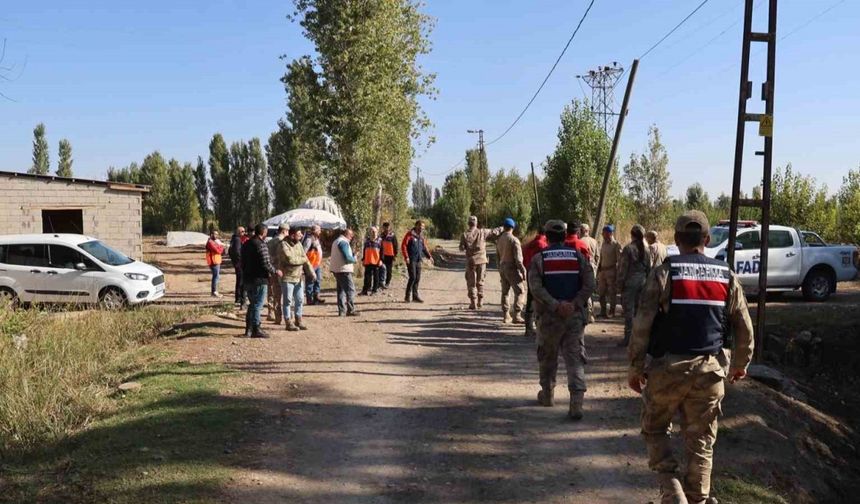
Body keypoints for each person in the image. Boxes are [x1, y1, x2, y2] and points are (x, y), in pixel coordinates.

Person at [628, 211, 754, 504]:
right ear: (707, 240)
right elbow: (744, 325)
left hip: (666, 371)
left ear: (676, 240)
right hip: (710, 373)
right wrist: (739, 365)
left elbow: (642, 324)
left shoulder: (664, 273)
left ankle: (672, 492)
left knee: (655, 428)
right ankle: (697, 500)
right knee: (701, 443)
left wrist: (635, 367)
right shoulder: (726, 275)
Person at [528, 220, 595, 420]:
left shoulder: (540, 259)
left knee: (547, 357)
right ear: (565, 235)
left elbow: (535, 288)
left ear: (546, 236)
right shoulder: (578, 257)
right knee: (575, 360)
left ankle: (547, 395)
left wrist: (555, 305)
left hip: (549, 318)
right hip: (574, 317)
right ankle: (576, 405)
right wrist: (575, 303)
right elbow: (590, 283)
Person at [240, 224, 283, 338]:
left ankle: (248, 330)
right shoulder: (261, 245)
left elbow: (241, 261)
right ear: (263, 232)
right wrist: (275, 271)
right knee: (257, 305)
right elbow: (266, 263)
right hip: (259, 279)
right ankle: (256, 329)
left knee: (252, 304)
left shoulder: (246, 244)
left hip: (248, 278)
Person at [459, 215, 502, 309]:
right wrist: (503, 228)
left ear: (468, 223)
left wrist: (466, 246)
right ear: (476, 223)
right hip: (482, 260)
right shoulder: (482, 232)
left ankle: (473, 302)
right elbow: (494, 232)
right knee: (480, 281)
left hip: (471, 261)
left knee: (471, 282)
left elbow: (461, 248)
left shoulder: (464, 234)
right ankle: (480, 301)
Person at [278, 225, 316, 331]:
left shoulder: (299, 244)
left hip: (298, 277)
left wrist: (312, 273)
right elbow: (290, 259)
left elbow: (306, 260)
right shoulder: (283, 244)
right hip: (287, 277)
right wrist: (302, 259)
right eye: (299, 234)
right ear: (292, 235)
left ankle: (298, 320)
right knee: (288, 301)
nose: (301, 236)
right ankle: (288, 322)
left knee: (299, 300)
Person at [617, 225, 650, 347]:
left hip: (630, 283)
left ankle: (628, 338)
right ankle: (639, 339)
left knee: (629, 312)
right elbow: (649, 269)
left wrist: (619, 284)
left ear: (632, 235)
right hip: (642, 282)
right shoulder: (646, 250)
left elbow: (623, 269)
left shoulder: (628, 249)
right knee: (639, 312)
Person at [495, 217, 527, 324]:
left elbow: (497, 256)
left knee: (505, 292)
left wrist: (499, 269)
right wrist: (523, 270)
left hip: (502, 267)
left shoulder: (499, 240)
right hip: (511, 267)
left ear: (504, 227)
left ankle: (506, 315)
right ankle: (517, 315)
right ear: (512, 227)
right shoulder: (514, 240)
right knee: (520, 291)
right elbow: (518, 259)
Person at [522, 228, 548, 337]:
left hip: (530, 272)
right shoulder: (543, 245)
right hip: (540, 274)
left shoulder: (530, 244)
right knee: (540, 299)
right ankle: (539, 326)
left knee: (530, 298)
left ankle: (528, 328)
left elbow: (524, 258)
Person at [400, 220, 433, 303]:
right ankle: (407, 296)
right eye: (421, 226)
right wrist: (406, 257)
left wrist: (429, 257)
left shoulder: (421, 237)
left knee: (417, 278)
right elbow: (403, 245)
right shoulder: (410, 234)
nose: (422, 228)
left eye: (423, 227)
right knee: (413, 277)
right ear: (416, 226)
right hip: (411, 260)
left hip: (418, 260)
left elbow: (424, 248)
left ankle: (415, 297)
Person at [330, 228, 359, 316]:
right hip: (344, 270)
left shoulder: (336, 241)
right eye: (351, 235)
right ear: (347, 234)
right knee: (350, 290)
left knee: (341, 290)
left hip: (336, 269)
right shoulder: (343, 242)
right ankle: (351, 310)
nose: (351, 237)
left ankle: (342, 311)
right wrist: (354, 259)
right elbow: (347, 257)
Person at [597, 224, 622, 318]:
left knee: (612, 293)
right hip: (602, 271)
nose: (603, 235)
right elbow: (601, 257)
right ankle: (603, 311)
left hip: (612, 271)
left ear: (610, 233)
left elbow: (620, 260)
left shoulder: (616, 245)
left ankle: (612, 311)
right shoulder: (603, 243)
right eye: (603, 233)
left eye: (604, 233)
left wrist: (619, 273)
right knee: (601, 292)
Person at [267, 224, 288, 325]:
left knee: (272, 292)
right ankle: (284, 316)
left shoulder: (270, 242)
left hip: (271, 269)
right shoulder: (283, 242)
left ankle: (272, 313)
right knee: (283, 293)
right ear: (284, 231)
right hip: (281, 270)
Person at [579, 223, 600, 323]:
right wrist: (595, 265)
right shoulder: (594, 241)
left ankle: (588, 313)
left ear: (581, 231)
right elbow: (598, 256)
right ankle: (591, 313)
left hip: (584, 267)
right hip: (593, 267)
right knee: (591, 290)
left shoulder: (580, 242)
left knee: (584, 289)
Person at [302, 225, 326, 305]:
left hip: (317, 264)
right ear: (314, 231)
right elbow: (304, 252)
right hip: (310, 265)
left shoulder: (316, 239)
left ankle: (316, 297)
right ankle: (309, 299)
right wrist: (306, 265)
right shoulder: (309, 239)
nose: (320, 231)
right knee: (310, 282)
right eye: (319, 230)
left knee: (318, 280)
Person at [228, 226, 248, 307]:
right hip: (239, 263)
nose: (244, 233)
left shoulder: (234, 239)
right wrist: (240, 261)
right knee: (241, 281)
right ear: (238, 232)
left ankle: (237, 297)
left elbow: (230, 251)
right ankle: (239, 298)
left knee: (239, 280)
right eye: (243, 231)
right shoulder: (237, 240)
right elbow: (236, 252)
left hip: (236, 263)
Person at [361, 226, 383, 296]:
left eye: (374, 231)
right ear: (369, 232)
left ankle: (374, 290)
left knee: (376, 277)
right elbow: (364, 250)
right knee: (367, 277)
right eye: (371, 231)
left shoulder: (380, 240)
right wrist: (363, 259)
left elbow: (382, 251)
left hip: (376, 261)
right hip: (368, 261)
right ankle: (365, 290)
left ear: (377, 232)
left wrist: (381, 260)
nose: (373, 233)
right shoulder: (367, 241)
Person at [205, 230, 225, 298]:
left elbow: (218, 249)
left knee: (216, 276)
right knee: (215, 277)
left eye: (217, 234)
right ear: (211, 234)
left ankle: (215, 291)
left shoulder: (214, 241)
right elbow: (218, 250)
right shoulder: (210, 242)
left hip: (216, 260)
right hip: (213, 261)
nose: (216, 235)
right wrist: (222, 246)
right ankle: (214, 292)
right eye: (215, 234)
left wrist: (220, 246)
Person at [380, 222, 398, 288]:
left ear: (389, 228)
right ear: (383, 228)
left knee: (389, 270)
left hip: (390, 255)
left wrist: (395, 255)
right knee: (381, 269)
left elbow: (395, 246)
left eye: (387, 227)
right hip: (382, 255)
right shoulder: (381, 236)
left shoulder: (392, 236)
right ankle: (381, 282)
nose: (386, 229)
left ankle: (387, 282)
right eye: (385, 227)